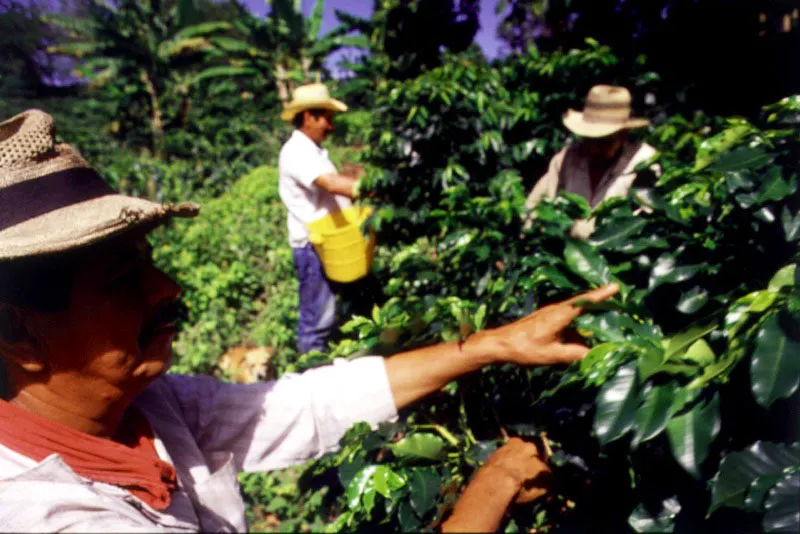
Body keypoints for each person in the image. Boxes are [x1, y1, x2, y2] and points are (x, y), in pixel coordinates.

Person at [0, 109, 618, 531]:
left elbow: (304, 405)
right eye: (120, 281)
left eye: (148, 263)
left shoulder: (148, 411)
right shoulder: (44, 515)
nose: (166, 287)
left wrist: (487, 346)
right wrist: (496, 482)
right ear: (17, 335)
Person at [277, 83, 365, 355]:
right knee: (317, 321)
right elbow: (330, 183)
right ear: (308, 117)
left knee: (340, 311)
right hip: (314, 246)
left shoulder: (314, 150)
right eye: (326, 118)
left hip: (333, 242)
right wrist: (371, 187)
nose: (331, 125)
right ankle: (308, 376)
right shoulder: (297, 151)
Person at [523, 85, 659, 239]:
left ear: (623, 134)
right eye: (589, 139)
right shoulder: (568, 158)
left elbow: (648, 219)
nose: (594, 148)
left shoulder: (644, 162)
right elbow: (535, 205)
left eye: (604, 141)